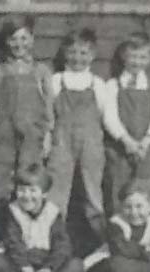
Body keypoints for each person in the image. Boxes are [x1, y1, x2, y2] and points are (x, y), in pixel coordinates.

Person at [0, 15, 55, 212]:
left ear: (32, 39)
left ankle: (28, 230)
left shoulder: (41, 71)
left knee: (29, 180)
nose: (18, 44)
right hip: (3, 134)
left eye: (23, 38)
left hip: (32, 134)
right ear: (6, 42)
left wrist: (48, 134)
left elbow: (48, 106)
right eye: (13, 39)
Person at [0, 164, 84, 272]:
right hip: (22, 265)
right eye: (21, 190)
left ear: (44, 193)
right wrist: (25, 268)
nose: (26, 196)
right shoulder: (13, 211)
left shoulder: (52, 212)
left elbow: (62, 245)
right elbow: (13, 243)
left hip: (45, 264)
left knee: (76, 265)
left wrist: (48, 268)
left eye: (33, 190)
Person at [46, 28, 108, 252]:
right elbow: (48, 113)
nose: (77, 58)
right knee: (56, 194)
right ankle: (53, 246)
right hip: (61, 141)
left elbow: (104, 115)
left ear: (92, 55)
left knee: (93, 195)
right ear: (64, 53)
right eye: (72, 52)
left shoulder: (97, 84)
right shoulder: (56, 81)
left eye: (83, 53)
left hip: (91, 142)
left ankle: (101, 247)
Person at [103, 32, 150, 217]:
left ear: (149, 59)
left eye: (142, 57)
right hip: (121, 150)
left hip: (149, 150)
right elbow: (110, 118)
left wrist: (146, 141)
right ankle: (120, 238)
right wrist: (127, 142)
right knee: (119, 194)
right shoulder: (113, 85)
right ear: (124, 56)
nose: (137, 61)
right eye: (132, 56)